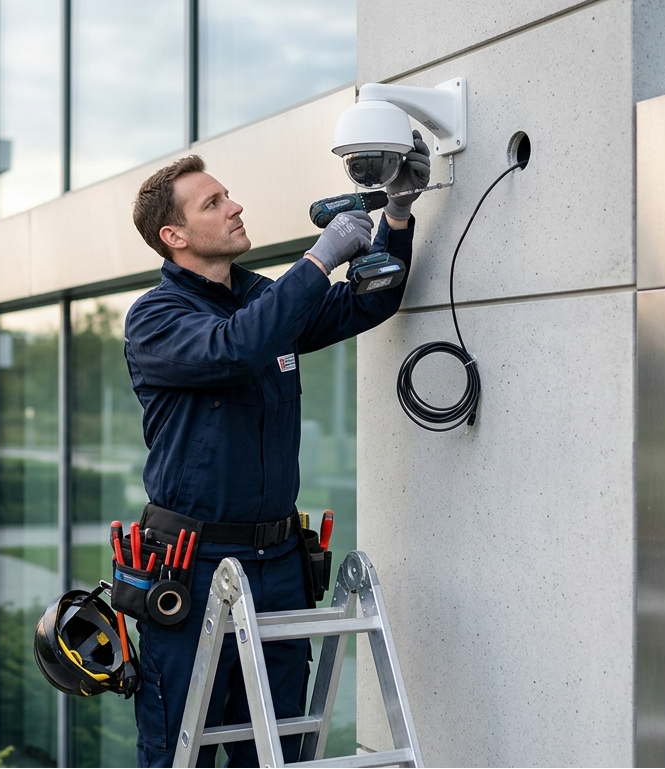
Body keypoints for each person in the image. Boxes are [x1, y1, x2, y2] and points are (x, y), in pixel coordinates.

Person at [123, 132, 430, 768]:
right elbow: (233, 347)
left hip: (278, 560)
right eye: (212, 203)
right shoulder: (155, 318)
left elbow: (370, 303)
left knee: (281, 745)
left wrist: (397, 215)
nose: (234, 207)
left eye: (229, 196)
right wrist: (319, 260)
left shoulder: (263, 297)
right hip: (193, 562)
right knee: (185, 742)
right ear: (173, 237)